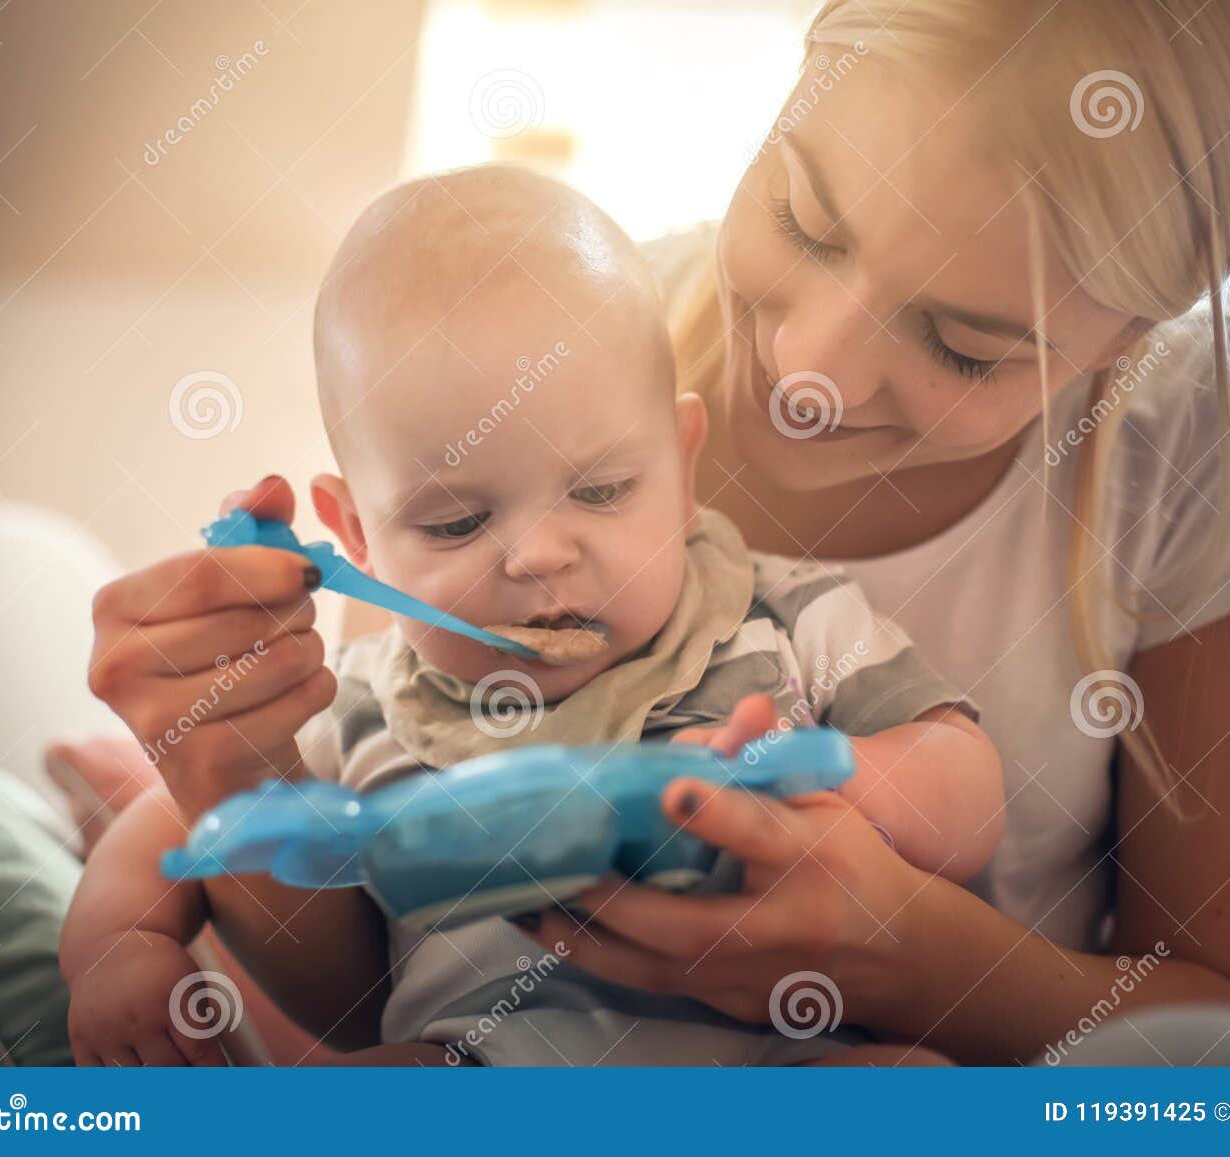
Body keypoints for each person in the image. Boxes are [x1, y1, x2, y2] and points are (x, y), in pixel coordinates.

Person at [502, 0, 1230, 1065]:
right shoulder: (556, 348)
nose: (812, 374)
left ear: (1126, 339)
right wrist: (246, 764)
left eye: (965, 345)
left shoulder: (1195, 450)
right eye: (803, 218)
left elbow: (1225, 1053)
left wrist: (915, 957)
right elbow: (347, 963)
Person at [63, 164, 1002, 1066]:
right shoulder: (350, 705)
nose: (539, 554)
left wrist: (838, 776)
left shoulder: (787, 618)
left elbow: (967, 796)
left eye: (600, 490)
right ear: (355, 532)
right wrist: (120, 949)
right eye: (456, 520)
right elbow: (179, 830)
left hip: (790, 1053)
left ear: (680, 469)